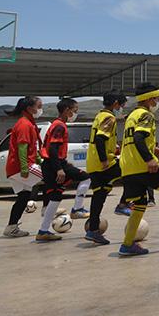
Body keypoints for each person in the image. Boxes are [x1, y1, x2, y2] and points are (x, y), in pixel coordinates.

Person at [118, 82, 159, 256]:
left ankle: (127, 245)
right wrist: (149, 159)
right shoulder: (146, 115)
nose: (158, 102)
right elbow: (138, 138)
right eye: (157, 99)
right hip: (142, 166)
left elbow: (132, 140)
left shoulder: (132, 116)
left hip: (128, 168)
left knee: (140, 204)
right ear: (149, 99)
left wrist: (153, 149)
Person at [36, 98, 91, 241]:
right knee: (86, 177)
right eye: (75, 110)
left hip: (54, 164)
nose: (75, 113)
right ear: (67, 110)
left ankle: (43, 231)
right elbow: (52, 149)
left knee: (55, 197)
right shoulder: (59, 126)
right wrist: (59, 169)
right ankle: (77, 209)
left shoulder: (57, 124)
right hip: (53, 164)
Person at [82, 91, 127, 245]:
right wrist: (104, 160)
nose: (121, 108)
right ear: (115, 103)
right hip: (104, 163)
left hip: (92, 163)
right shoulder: (109, 118)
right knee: (132, 173)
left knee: (99, 195)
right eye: (121, 105)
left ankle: (93, 230)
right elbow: (100, 139)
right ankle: (123, 204)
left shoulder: (99, 116)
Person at [3, 97, 44, 238]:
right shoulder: (24, 124)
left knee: (23, 197)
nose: (41, 109)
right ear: (29, 108)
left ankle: (11, 227)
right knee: (52, 177)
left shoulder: (27, 123)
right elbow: (22, 148)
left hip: (15, 168)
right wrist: (25, 168)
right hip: (20, 167)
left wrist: (39, 159)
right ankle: (48, 211)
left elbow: (32, 148)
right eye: (39, 106)